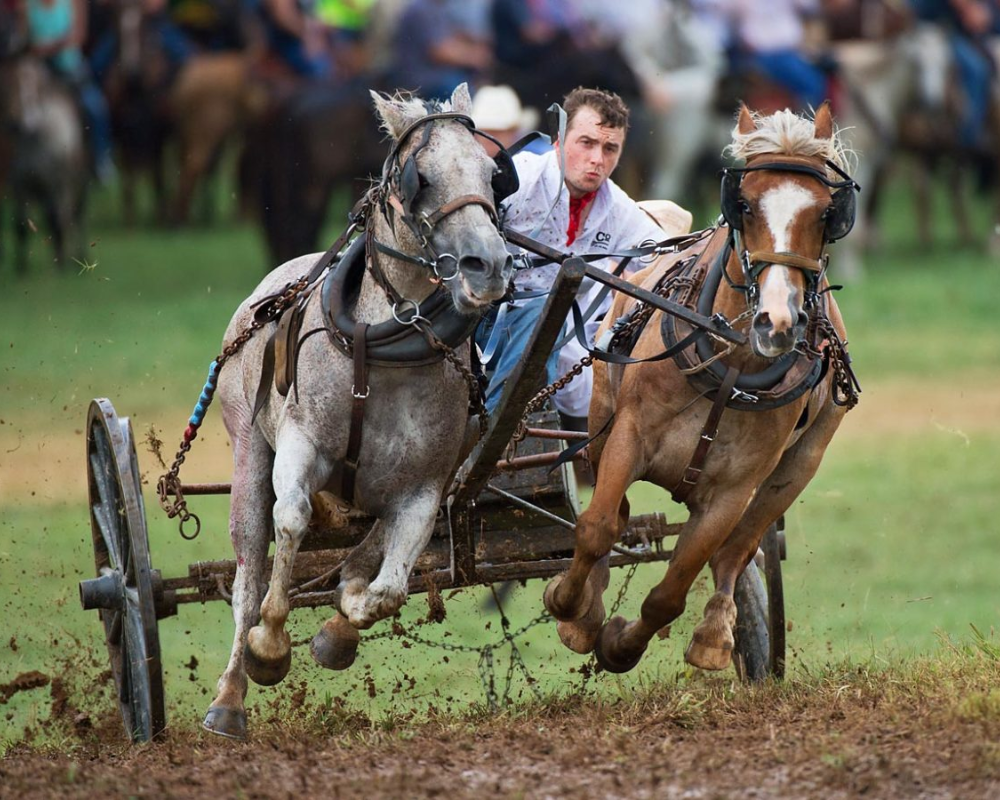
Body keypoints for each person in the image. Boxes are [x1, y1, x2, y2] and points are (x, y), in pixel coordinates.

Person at [475, 86, 667, 429]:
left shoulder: (619, 208)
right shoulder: (516, 178)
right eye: (587, 143)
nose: (598, 159)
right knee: (542, 314)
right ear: (559, 139)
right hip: (481, 320)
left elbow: (668, 262)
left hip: (563, 340)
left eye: (610, 148)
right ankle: (498, 429)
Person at [23, 0, 115, 182]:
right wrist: (53, 45)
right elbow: (25, 40)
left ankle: (101, 158)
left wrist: (49, 47)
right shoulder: (26, 5)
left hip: (68, 67)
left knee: (95, 106)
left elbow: (78, 36)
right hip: (39, 72)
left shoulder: (73, 2)